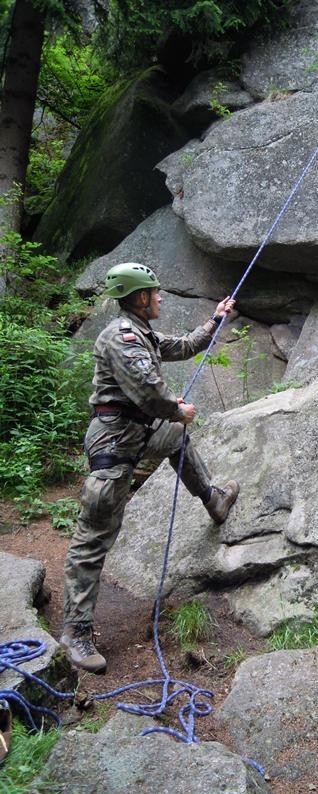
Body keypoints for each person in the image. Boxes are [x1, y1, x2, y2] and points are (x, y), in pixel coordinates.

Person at [61, 262, 239, 674]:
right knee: (94, 537)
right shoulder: (121, 338)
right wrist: (177, 409)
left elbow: (181, 347)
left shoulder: (141, 333)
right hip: (113, 442)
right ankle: (76, 632)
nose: (161, 298)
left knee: (174, 437)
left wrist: (215, 319)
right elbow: (148, 392)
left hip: (136, 431)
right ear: (141, 297)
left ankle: (213, 500)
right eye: (156, 292)